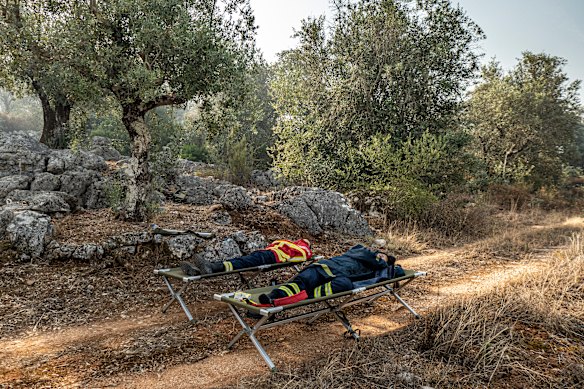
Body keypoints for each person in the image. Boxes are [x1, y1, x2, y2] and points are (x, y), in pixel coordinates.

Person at [250, 244, 405, 307]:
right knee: (299, 283)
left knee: (345, 285)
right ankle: (271, 297)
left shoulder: (375, 270)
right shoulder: (361, 251)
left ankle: (307, 295)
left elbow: (396, 273)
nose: (380, 258)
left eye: (384, 258)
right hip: (324, 267)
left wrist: (389, 265)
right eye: (381, 255)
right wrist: (380, 260)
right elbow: (367, 254)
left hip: (337, 278)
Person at [181, 238, 312, 276]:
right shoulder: (294, 244)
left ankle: (213, 267)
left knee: (243, 261)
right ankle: (199, 271)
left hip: (272, 257)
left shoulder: (304, 249)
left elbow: (302, 255)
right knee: (242, 261)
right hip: (267, 254)